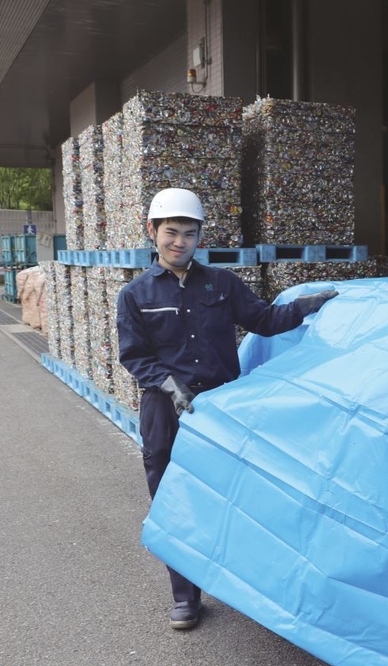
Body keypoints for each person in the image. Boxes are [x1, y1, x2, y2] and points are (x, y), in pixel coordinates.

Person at [116, 188, 337, 630]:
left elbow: (264, 320)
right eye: (172, 233)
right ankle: (185, 598)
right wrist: (169, 385)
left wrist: (308, 307)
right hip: (166, 411)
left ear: (200, 238)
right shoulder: (135, 294)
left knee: (233, 495)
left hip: (221, 407)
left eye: (190, 234)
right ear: (152, 232)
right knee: (175, 501)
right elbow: (134, 355)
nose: (180, 242)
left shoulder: (222, 284)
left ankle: (244, 586)